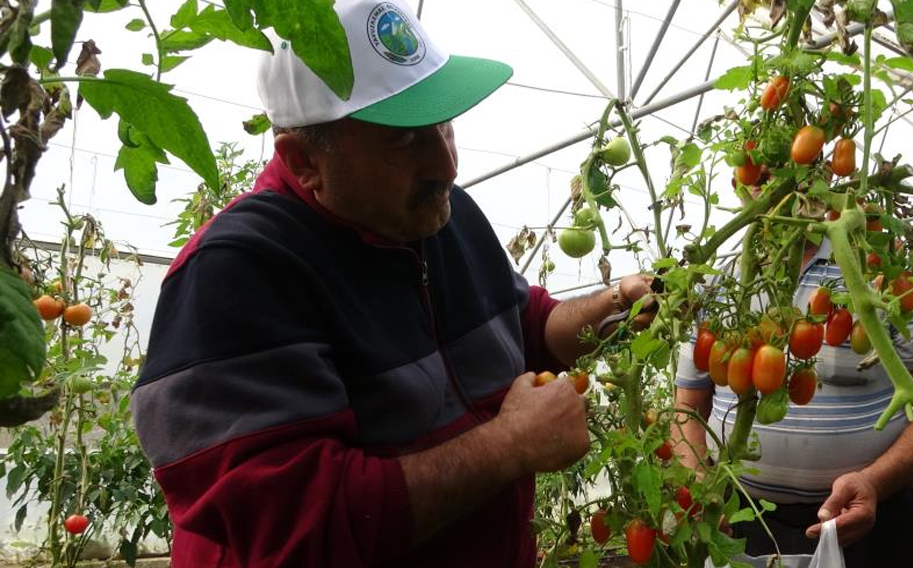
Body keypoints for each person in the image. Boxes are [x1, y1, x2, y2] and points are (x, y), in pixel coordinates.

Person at [130, 1, 654, 566]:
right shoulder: (236, 271)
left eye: (443, 125)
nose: (446, 164)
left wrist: (615, 305)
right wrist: (511, 445)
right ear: (304, 159)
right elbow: (294, 528)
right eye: (404, 140)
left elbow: (524, 324)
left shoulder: (442, 217)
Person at [672, 237, 913, 567]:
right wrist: (700, 487)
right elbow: (687, 405)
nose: (765, 183)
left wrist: (874, 481)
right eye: (755, 180)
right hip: (744, 519)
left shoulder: (886, 273)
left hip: (876, 523)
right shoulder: (716, 286)